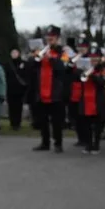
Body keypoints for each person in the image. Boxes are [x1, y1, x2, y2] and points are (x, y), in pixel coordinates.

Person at [31, 25, 69, 153]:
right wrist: (35, 57)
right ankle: (45, 142)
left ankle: (58, 143)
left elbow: (63, 67)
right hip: (42, 90)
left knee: (56, 120)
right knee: (43, 120)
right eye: (48, 38)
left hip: (56, 92)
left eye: (52, 38)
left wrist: (51, 58)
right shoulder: (42, 50)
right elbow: (32, 67)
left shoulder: (63, 51)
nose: (49, 40)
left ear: (58, 39)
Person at [76, 47, 105, 154]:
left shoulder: (103, 69)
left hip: (97, 100)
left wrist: (92, 75)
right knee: (86, 124)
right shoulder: (83, 68)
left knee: (97, 125)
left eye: (95, 58)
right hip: (85, 98)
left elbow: (102, 82)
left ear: (100, 59)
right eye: (91, 58)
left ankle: (96, 145)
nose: (93, 60)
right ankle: (88, 144)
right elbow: (76, 78)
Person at [5, 48, 29, 130]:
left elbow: (26, 75)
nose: (14, 54)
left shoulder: (23, 63)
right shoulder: (8, 64)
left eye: (15, 53)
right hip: (10, 89)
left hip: (20, 89)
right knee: (11, 107)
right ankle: (12, 123)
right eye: (12, 53)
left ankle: (18, 123)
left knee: (19, 107)